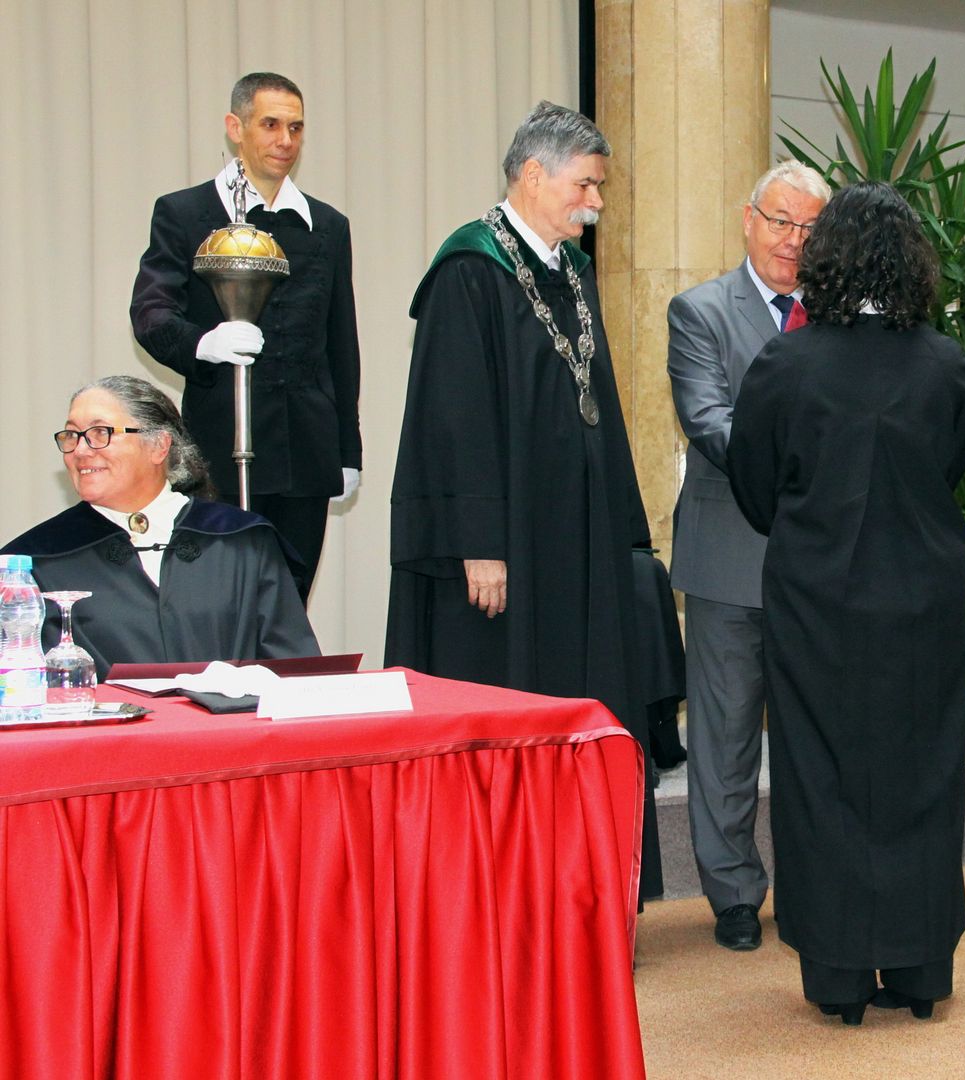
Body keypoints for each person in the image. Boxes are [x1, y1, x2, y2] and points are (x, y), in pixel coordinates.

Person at [727, 181, 965, 1025]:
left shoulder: (786, 362)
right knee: (924, 771)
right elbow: (955, 459)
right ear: (913, 263)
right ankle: (920, 969)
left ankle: (838, 976)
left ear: (827, 257)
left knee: (820, 776)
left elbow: (755, 483)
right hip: (925, 601)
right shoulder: (949, 365)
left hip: (818, 603)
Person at [384, 103, 659, 885]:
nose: (596, 203)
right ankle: (496, 883)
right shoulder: (469, 270)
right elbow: (454, 417)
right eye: (586, 185)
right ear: (534, 175)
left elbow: (598, 401)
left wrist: (621, 533)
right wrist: (479, 543)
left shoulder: (571, 270)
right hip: (504, 547)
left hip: (574, 537)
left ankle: (579, 883)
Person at [666, 160, 830, 951]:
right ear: (748, 219)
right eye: (780, 221)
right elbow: (710, 422)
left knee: (812, 741)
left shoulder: (838, 320)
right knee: (725, 740)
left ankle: (810, 891)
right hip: (729, 559)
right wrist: (815, 467)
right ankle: (733, 894)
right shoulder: (700, 311)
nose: (792, 241)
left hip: (820, 566)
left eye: (809, 228)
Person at [130, 72, 362, 603]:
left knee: (288, 601)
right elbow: (150, 312)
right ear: (236, 128)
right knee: (219, 600)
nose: (285, 140)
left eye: (296, 128)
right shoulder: (185, 213)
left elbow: (341, 344)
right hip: (218, 445)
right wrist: (202, 343)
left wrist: (347, 449)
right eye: (270, 125)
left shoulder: (327, 225)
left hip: (306, 451)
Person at [2, 376, 316, 676]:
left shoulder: (243, 543)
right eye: (72, 435)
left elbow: (294, 671)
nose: (80, 450)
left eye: (100, 432)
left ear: (159, 446)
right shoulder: (35, 564)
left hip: (233, 716)